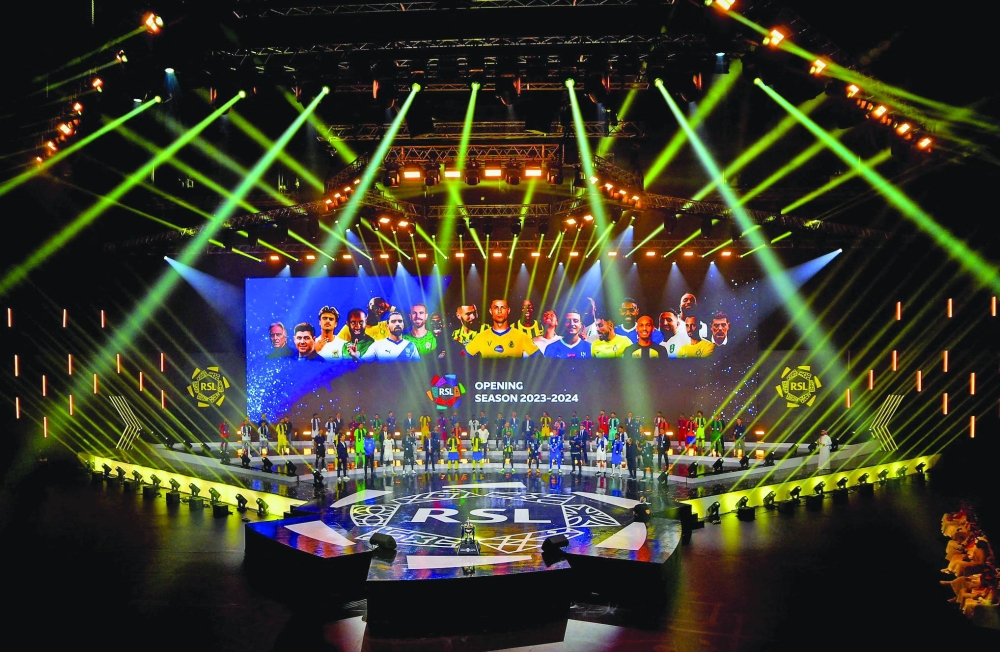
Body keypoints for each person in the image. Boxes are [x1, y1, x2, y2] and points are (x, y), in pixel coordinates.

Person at [465, 298, 541, 358]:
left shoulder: (521, 336)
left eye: (503, 307)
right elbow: (462, 357)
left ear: (508, 310)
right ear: (491, 311)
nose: (499, 311)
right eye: (496, 307)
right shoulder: (481, 337)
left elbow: (540, 359)